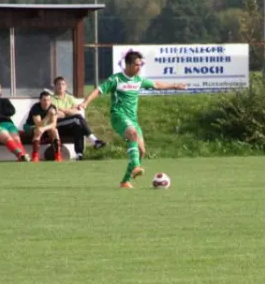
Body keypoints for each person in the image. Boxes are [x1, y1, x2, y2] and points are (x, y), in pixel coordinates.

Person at [78, 51, 186, 188]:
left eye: (140, 65)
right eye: (136, 65)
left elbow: (156, 85)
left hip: (132, 120)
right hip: (118, 116)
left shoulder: (138, 80)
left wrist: (174, 86)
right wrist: (85, 103)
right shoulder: (116, 79)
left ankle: (124, 181)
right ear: (128, 64)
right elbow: (98, 90)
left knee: (141, 151)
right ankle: (135, 166)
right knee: (133, 135)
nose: (139, 68)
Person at [51, 76, 106, 160]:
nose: (60, 86)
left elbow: (76, 111)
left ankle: (79, 155)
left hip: (70, 123)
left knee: (78, 126)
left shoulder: (70, 98)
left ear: (66, 86)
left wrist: (63, 111)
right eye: (58, 84)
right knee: (77, 119)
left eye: (63, 84)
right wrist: (69, 111)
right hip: (57, 125)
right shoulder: (51, 99)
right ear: (54, 86)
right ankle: (94, 140)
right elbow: (56, 114)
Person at [0, 79, 29, 161]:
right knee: (6, 137)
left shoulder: (5, 101)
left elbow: (12, 111)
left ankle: (23, 156)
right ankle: (20, 155)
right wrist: (4, 115)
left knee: (16, 139)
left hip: (9, 124)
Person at [24, 91, 62, 162]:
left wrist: (44, 128)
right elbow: (38, 124)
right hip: (30, 126)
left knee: (55, 130)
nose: (46, 102)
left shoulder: (53, 107)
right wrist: (48, 115)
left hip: (44, 127)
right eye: (44, 100)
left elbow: (53, 124)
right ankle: (35, 157)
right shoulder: (35, 107)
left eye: (48, 100)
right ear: (40, 100)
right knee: (38, 130)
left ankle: (58, 156)